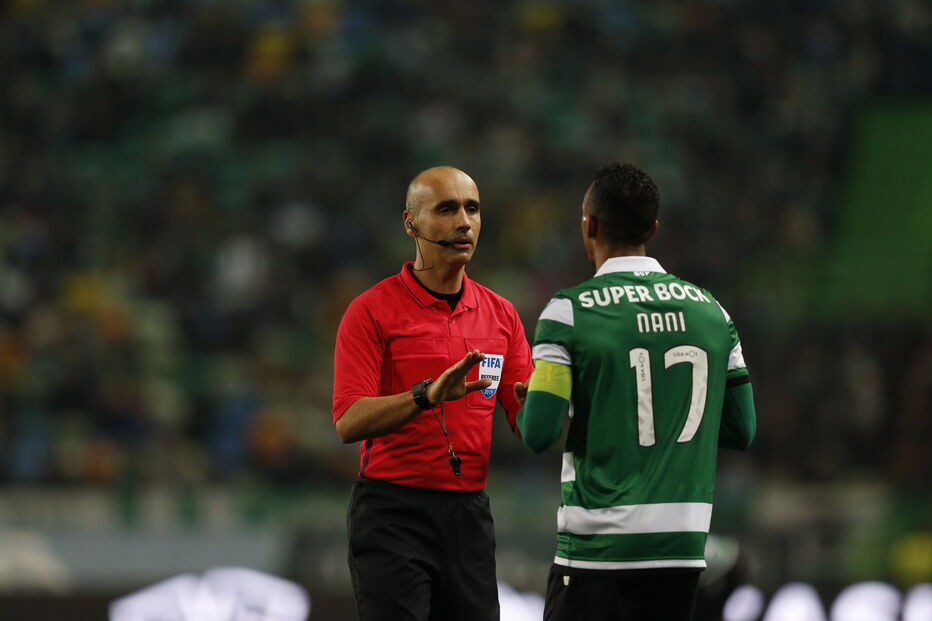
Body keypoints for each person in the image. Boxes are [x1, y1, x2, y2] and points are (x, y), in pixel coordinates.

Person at [514, 162, 757, 620]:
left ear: (589, 224)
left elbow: (539, 433)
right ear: (653, 228)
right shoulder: (714, 313)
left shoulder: (567, 313)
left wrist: (526, 400)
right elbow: (742, 429)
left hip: (597, 550)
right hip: (683, 552)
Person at [332, 166, 533, 621]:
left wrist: (564, 401)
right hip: (391, 515)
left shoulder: (502, 316)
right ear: (411, 223)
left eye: (473, 208)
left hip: (469, 515)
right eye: (446, 209)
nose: (464, 221)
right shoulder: (371, 312)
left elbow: (530, 423)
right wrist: (426, 395)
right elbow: (348, 420)